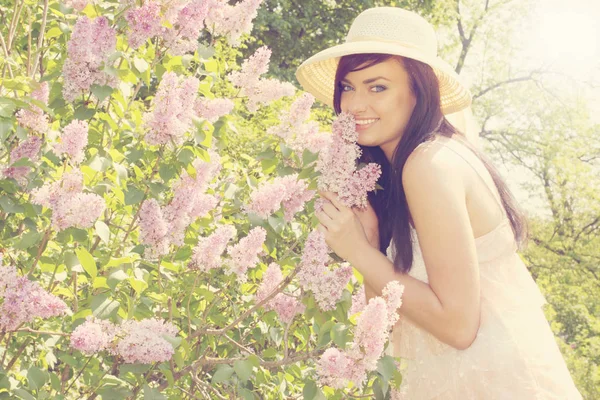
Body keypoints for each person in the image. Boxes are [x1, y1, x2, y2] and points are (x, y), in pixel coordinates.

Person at [296, 7, 582, 399]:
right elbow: (387, 322)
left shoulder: (429, 165)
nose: (355, 104)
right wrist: (375, 241)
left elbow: (458, 327)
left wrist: (358, 252)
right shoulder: (406, 171)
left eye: (377, 87)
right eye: (348, 87)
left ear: (418, 91)